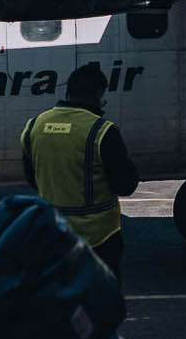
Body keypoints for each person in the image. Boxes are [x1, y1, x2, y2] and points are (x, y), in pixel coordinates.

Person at [21, 63, 140, 284]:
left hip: (55, 233)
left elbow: (32, 179)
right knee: (102, 302)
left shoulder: (34, 127)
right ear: (98, 95)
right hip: (99, 237)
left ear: (68, 92)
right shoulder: (103, 131)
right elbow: (126, 186)